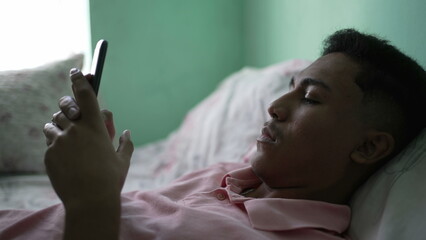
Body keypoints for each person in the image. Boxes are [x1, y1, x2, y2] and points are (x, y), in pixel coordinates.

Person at [1, 29, 426, 240]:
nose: (274, 106)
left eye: (311, 99)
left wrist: (90, 201)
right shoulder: (233, 176)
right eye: (290, 87)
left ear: (369, 146)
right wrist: (104, 182)